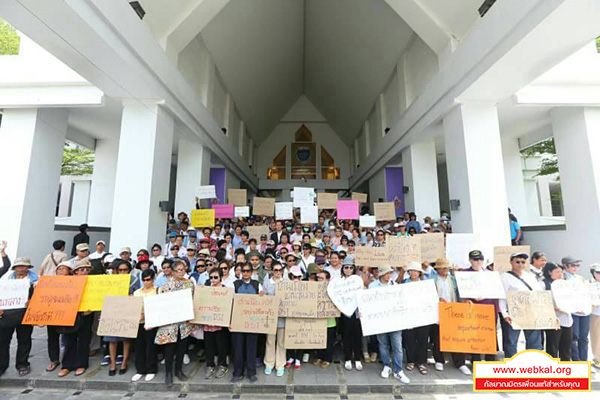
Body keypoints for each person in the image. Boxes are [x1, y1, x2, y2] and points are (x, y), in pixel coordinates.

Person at [155, 260, 195, 387]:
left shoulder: (189, 284)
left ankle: (178, 370)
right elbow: (161, 304)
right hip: (169, 323)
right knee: (169, 348)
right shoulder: (166, 287)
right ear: (172, 272)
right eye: (178, 270)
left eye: (183, 269)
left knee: (182, 348)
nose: (181, 272)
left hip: (184, 322)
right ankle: (168, 373)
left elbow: (193, 299)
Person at [368, 265, 410, 383]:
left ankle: (398, 370)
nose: (389, 276)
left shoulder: (395, 286)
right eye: (387, 273)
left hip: (395, 321)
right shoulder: (372, 286)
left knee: (397, 346)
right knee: (383, 344)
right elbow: (368, 303)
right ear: (381, 274)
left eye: (390, 273)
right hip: (380, 321)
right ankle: (387, 365)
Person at [431, 258, 471, 375]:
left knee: (456, 337)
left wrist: (464, 301)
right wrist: (437, 299)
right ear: (437, 268)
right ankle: (439, 360)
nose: (445, 269)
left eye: (446, 267)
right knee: (437, 337)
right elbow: (428, 294)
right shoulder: (432, 280)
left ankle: (460, 362)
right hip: (438, 311)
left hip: (453, 311)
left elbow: (460, 293)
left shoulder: (453, 280)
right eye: (443, 267)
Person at [499, 252, 543, 358]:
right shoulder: (505, 277)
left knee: (534, 342)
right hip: (514, 313)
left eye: (523, 262)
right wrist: (505, 314)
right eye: (517, 261)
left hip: (530, 312)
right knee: (511, 342)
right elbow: (502, 296)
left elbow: (539, 293)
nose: (520, 264)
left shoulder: (530, 277)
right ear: (511, 262)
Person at [0, 256, 36, 377]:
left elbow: (42, 298)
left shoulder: (36, 282)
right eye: (18, 266)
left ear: (28, 267)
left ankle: (22, 364)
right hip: (6, 315)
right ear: (14, 268)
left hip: (25, 314)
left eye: (23, 266)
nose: (21, 268)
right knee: (2, 342)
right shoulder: (5, 281)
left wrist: (33, 301)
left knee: (24, 340)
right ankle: (1, 365)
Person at [59, 259, 94, 377]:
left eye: (87, 270)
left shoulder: (94, 283)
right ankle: (67, 365)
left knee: (84, 339)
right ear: (75, 272)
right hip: (71, 313)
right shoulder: (68, 282)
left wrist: (91, 308)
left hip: (87, 314)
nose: (85, 272)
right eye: (82, 270)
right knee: (69, 339)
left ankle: (82, 364)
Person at [231, 262, 264, 384]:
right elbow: (230, 302)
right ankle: (237, 372)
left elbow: (263, 302)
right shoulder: (234, 284)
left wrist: (262, 296)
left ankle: (251, 372)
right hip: (238, 322)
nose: (245, 273)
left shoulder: (257, 284)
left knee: (251, 349)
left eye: (248, 271)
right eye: (243, 271)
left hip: (252, 322)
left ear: (251, 272)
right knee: (238, 348)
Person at [104, 260, 136, 376]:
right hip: (112, 311)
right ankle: (112, 363)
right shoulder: (110, 281)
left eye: (125, 270)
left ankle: (124, 362)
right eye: (120, 270)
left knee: (126, 339)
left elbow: (137, 295)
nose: (122, 272)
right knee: (112, 340)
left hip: (127, 311)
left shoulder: (134, 280)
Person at [402, 262, 430, 374]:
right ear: (408, 272)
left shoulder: (426, 284)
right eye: (411, 270)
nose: (413, 273)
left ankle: (422, 362)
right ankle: (411, 361)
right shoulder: (403, 283)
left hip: (422, 315)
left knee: (423, 339)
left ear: (419, 272)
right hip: (408, 316)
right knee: (409, 339)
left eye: (416, 271)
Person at [131, 269, 158, 382]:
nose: (146, 282)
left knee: (150, 347)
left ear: (153, 279)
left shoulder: (158, 291)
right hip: (138, 323)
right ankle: (140, 369)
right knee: (139, 347)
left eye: (148, 280)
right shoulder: (137, 292)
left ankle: (151, 369)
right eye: (144, 280)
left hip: (151, 323)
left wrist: (146, 316)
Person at [541, 262, 572, 361]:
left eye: (561, 272)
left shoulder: (565, 284)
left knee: (566, 347)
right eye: (557, 272)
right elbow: (539, 301)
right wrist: (553, 307)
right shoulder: (543, 284)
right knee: (552, 347)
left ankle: (566, 370)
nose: (560, 274)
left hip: (567, 320)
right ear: (549, 272)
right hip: (552, 319)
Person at [562, 256, 590, 361]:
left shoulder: (580, 278)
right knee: (574, 337)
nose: (576, 267)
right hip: (572, 311)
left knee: (584, 337)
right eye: (573, 265)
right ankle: (576, 360)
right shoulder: (562, 278)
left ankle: (584, 360)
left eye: (577, 265)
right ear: (565, 266)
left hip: (584, 311)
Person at [48, 261, 74, 374]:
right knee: (52, 338)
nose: (61, 270)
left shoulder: (75, 282)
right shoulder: (49, 282)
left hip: (67, 313)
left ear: (69, 270)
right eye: (59, 268)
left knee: (68, 338)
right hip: (52, 313)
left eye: (64, 268)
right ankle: (54, 360)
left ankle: (67, 363)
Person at [203, 268, 230, 380]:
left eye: (215, 277)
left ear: (220, 278)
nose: (213, 279)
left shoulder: (226, 290)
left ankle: (222, 365)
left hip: (220, 324)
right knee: (209, 346)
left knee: (221, 346)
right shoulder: (205, 290)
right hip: (208, 323)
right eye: (211, 277)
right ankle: (210, 365)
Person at [262, 261, 286, 377]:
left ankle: (280, 364)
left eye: (280, 270)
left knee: (281, 342)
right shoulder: (267, 282)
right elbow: (265, 298)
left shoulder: (286, 283)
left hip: (282, 317)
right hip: (270, 317)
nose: (278, 272)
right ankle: (269, 363)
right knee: (270, 341)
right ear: (272, 271)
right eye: (275, 270)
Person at [339, 263, 363, 371]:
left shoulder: (358, 280)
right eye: (346, 267)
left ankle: (357, 358)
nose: (348, 270)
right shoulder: (339, 282)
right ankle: (348, 358)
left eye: (351, 268)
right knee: (346, 336)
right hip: (345, 312)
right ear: (343, 269)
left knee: (357, 336)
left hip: (357, 312)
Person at [589, 263, 600, 369]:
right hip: (597, 313)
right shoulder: (590, 285)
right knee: (596, 337)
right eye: (598, 272)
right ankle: (598, 359)